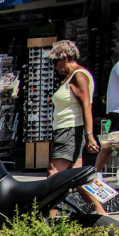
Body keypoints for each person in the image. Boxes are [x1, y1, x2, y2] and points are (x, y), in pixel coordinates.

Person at [46, 40, 97, 179]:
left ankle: (39, 202)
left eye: (55, 62)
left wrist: (89, 135)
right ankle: (97, 202)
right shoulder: (71, 77)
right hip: (67, 130)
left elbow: (86, 105)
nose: (55, 67)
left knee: (53, 174)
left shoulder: (79, 75)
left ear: (64, 57)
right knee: (78, 180)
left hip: (69, 130)